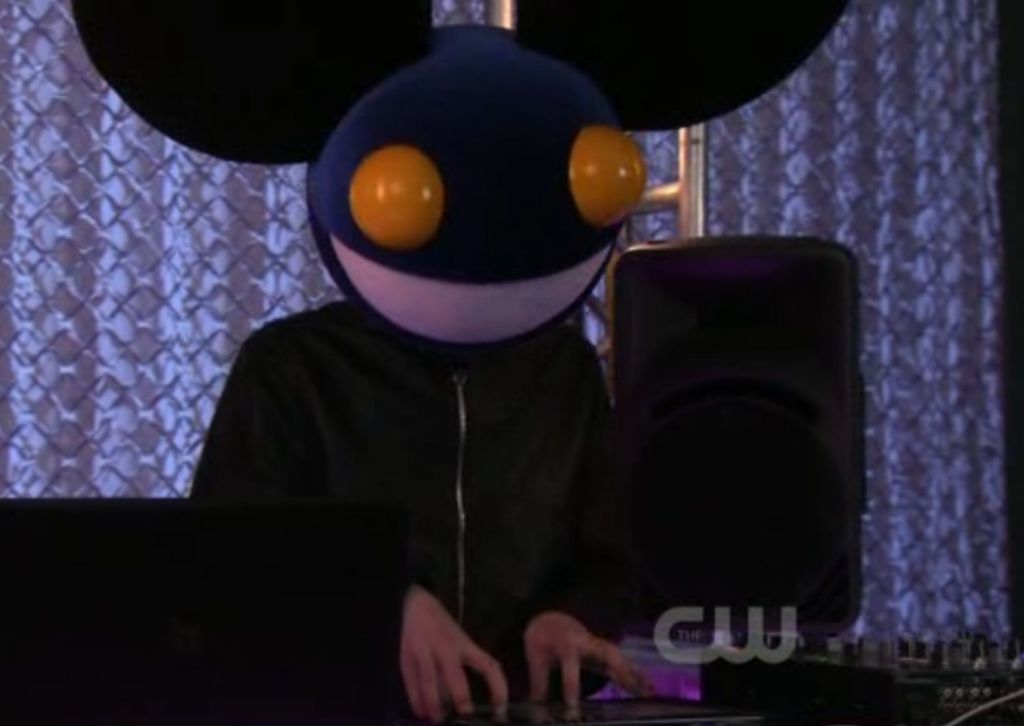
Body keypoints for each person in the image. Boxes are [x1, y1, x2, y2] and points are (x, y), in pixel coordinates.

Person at [190, 298, 651, 722]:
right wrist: (385, 602)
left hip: (520, 710)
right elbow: (227, 560)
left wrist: (571, 617)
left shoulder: (566, 366)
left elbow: (610, 557)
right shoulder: (288, 361)